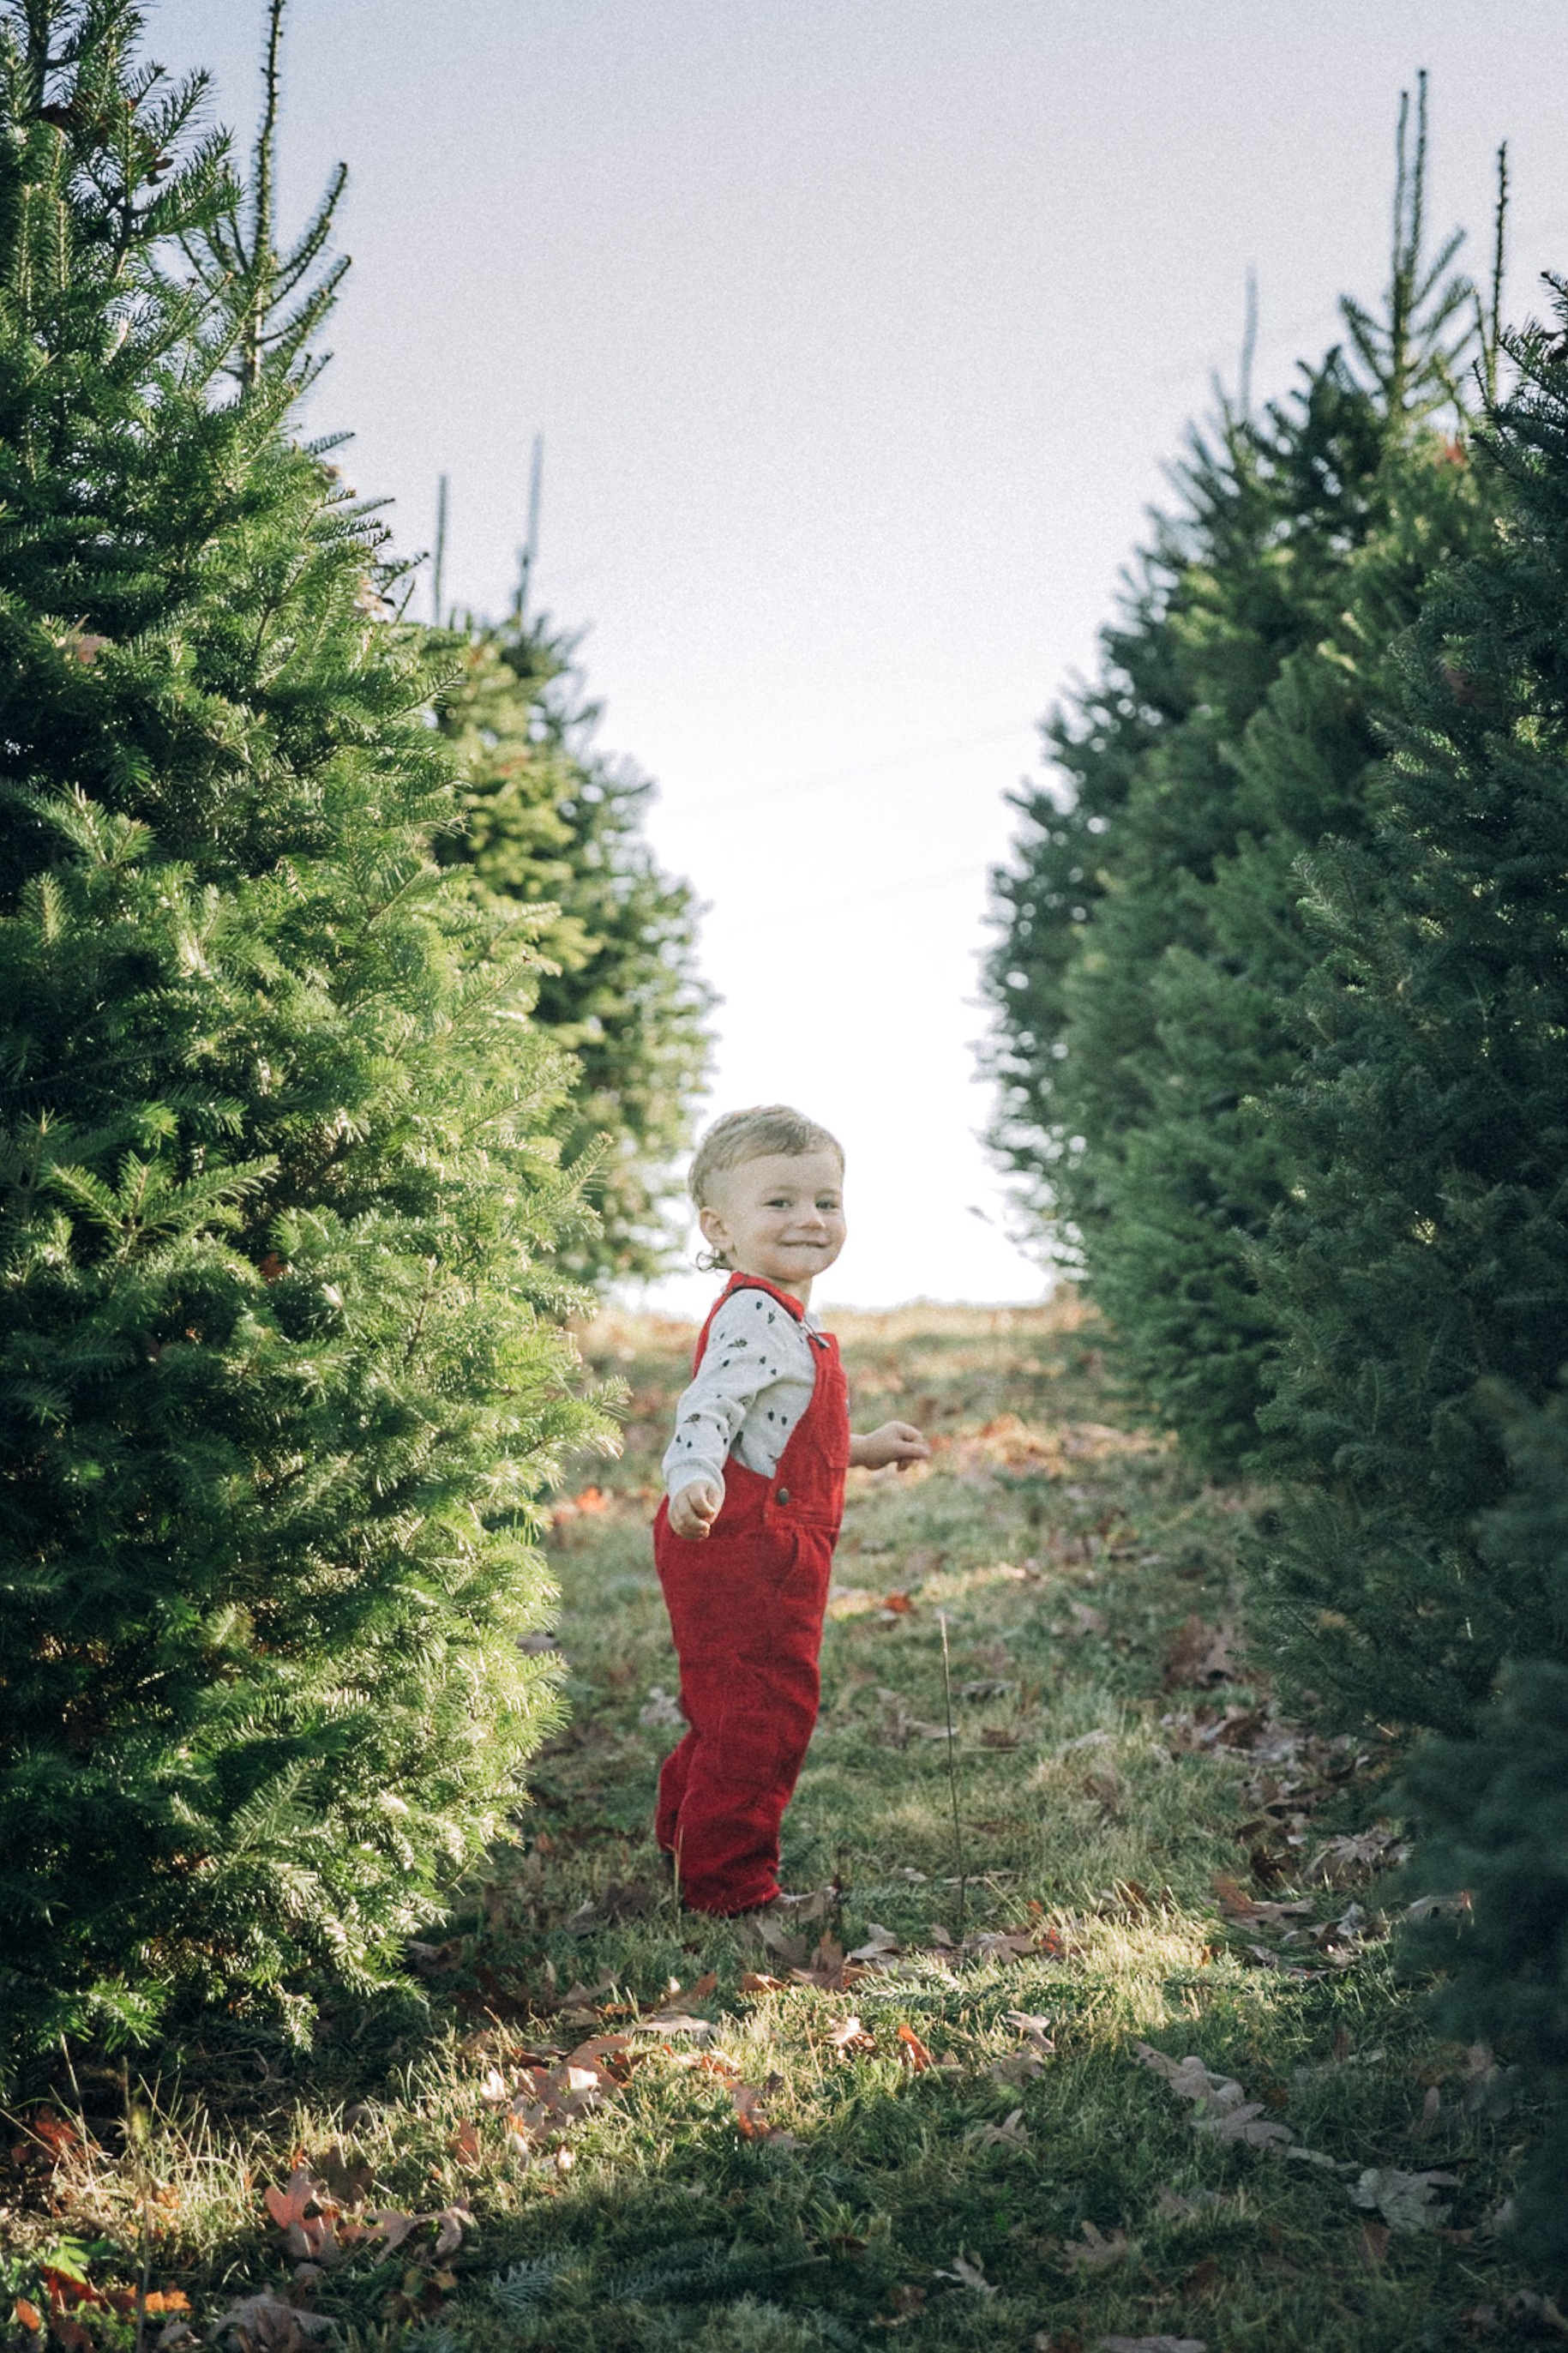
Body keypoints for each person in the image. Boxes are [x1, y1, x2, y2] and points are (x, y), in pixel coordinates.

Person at [653, 1104, 929, 1915]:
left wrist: (862, 1446)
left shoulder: (782, 1316)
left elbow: (772, 1431)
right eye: (778, 1203)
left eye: (825, 1201)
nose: (808, 1219)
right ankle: (729, 1891)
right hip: (747, 1544)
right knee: (763, 1713)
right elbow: (705, 1409)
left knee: (727, 1704)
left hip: (758, 1537)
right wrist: (693, 1478)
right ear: (720, 1227)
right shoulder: (756, 1315)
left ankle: (684, 1846)